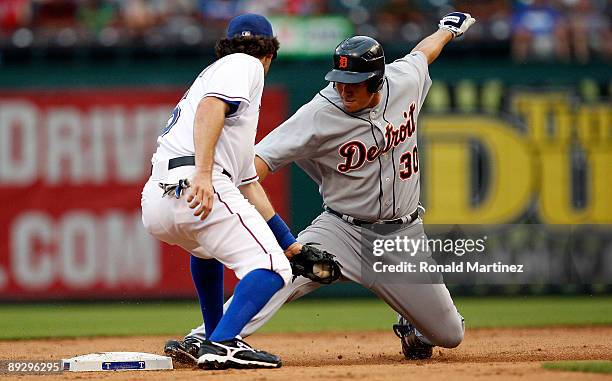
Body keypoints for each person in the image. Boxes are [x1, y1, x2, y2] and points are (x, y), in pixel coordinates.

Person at [165, 12, 476, 362]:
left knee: (450, 335)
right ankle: (207, 337)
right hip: (340, 230)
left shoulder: (404, 80)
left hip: (403, 236)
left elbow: (423, 52)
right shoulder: (319, 113)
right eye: (339, 80)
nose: (343, 89)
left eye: (353, 83)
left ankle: (412, 323)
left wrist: (446, 30)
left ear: (377, 80)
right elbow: (259, 161)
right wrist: (220, 182)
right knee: (280, 274)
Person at [141, 13, 299, 370]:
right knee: (272, 268)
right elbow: (210, 108)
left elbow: (248, 183)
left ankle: (211, 337)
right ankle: (224, 342)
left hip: (158, 200)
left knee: (206, 249)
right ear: (270, 53)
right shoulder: (245, 65)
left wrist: (289, 241)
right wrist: (203, 173)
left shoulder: (221, 76)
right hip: (197, 182)